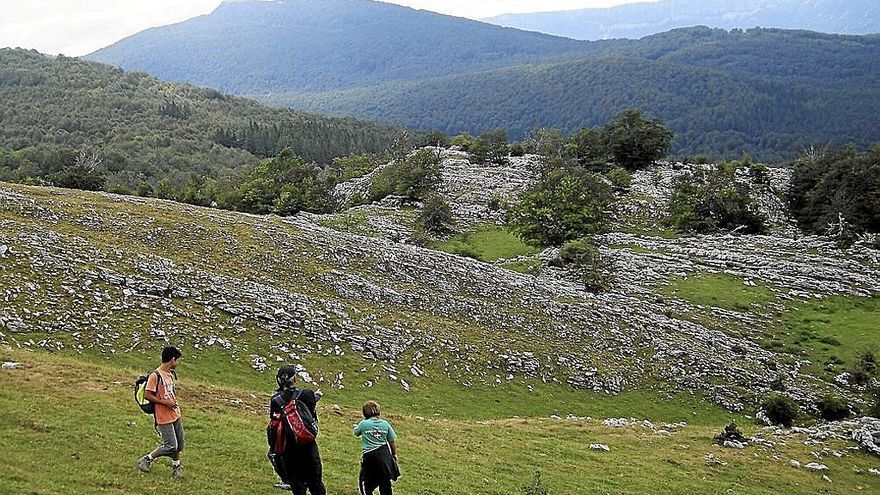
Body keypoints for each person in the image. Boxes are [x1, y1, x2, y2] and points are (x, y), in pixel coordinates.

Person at [270, 365, 326, 495]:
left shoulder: (276, 400)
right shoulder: (307, 394)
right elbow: (311, 413)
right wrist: (316, 396)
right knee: (316, 483)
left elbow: (274, 422)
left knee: (297, 485)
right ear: (294, 379)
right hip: (307, 444)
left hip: (288, 448)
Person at [137, 346, 184, 479]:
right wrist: (165, 403)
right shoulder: (155, 375)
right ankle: (147, 459)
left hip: (175, 414)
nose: (178, 364)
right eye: (177, 360)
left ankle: (176, 468)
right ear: (172, 360)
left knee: (179, 445)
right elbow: (147, 395)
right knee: (171, 445)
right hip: (163, 416)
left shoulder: (170, 374)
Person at [354, 401, 400, 495]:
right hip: (384, 457)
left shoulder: (363, 424)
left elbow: (356, 433)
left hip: (369, 457)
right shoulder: (385, 424)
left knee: (366, 482)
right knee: (385, 482)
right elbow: (392, 441)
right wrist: (394, 455)